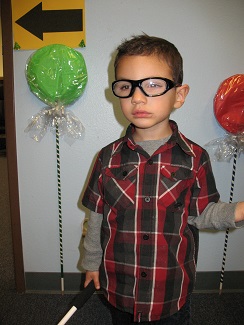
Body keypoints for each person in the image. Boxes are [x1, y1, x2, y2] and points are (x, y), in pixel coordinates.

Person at [81, 34, 244, 324]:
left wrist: (239, 210)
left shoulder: (195, 158)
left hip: (170, 290)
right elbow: (96, 215)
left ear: (179, 95)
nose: (138, 97)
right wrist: (92, 263)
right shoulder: (107, 158)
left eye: (153, 85)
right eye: (126, 87)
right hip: (120, 287)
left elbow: (203, 214)